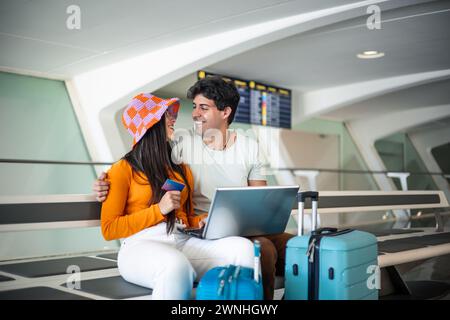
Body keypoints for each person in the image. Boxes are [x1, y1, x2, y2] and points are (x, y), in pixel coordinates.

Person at [95, 77, 294, 300]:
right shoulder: (132, 165)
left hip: (186, 236)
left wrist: (198, 221)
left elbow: (184, 216)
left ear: (225, 112)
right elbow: (110, 227)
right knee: (260, 250)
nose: (177, 118)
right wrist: (107, 185)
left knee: (287, 248)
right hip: (148, 242)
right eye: (166, 115)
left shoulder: (177, 169)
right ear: (150, 124)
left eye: (203, 107)